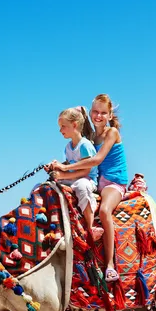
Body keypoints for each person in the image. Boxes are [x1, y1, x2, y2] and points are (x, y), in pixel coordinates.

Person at [50, 94, 128, 282]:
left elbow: (97, 160)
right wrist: (57, 166)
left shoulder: (112, 133)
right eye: (95, 112)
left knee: (104, 211)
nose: (98, 116)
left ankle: (110, 265)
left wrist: (66, 168)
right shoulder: (92, 136)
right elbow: (80, 159)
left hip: (113, 182)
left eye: (103, 113)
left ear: (110, 115)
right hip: (97, 180)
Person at [46, 107, 102, 239]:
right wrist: (55, 167)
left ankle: (91, 226)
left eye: (63, 126)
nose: (61, 130)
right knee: (49, 184)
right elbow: (69, 164)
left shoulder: (85, 145)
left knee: (82, 187)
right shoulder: (68, 147)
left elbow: (86, 169)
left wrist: (64, 173)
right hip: (72, 178)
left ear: (74, 125)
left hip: (87, 179)